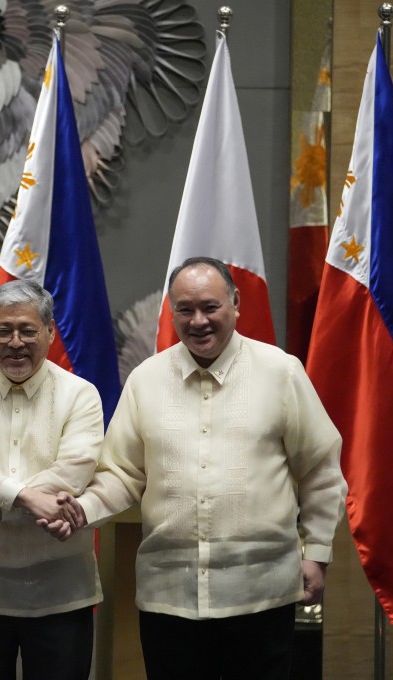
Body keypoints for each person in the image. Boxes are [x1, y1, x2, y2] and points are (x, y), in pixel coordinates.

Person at [64, 256, 347, 680]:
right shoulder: (146, 380)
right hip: (169, 599)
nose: (198, 321)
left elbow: (320, 471)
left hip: (262, 595)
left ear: (235, 303)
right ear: (171, 311)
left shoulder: (281, 373)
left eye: (210, 307)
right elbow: (122, 474)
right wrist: (81, 510)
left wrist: (319, 552)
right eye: (185, 309)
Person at [0, 279, 104, 680]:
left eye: (28, 330)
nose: (16, 342)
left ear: (49, 333)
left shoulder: (81, 394)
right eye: (4, 331)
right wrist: (26, 498)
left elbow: (74, 472)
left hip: (61, 594)